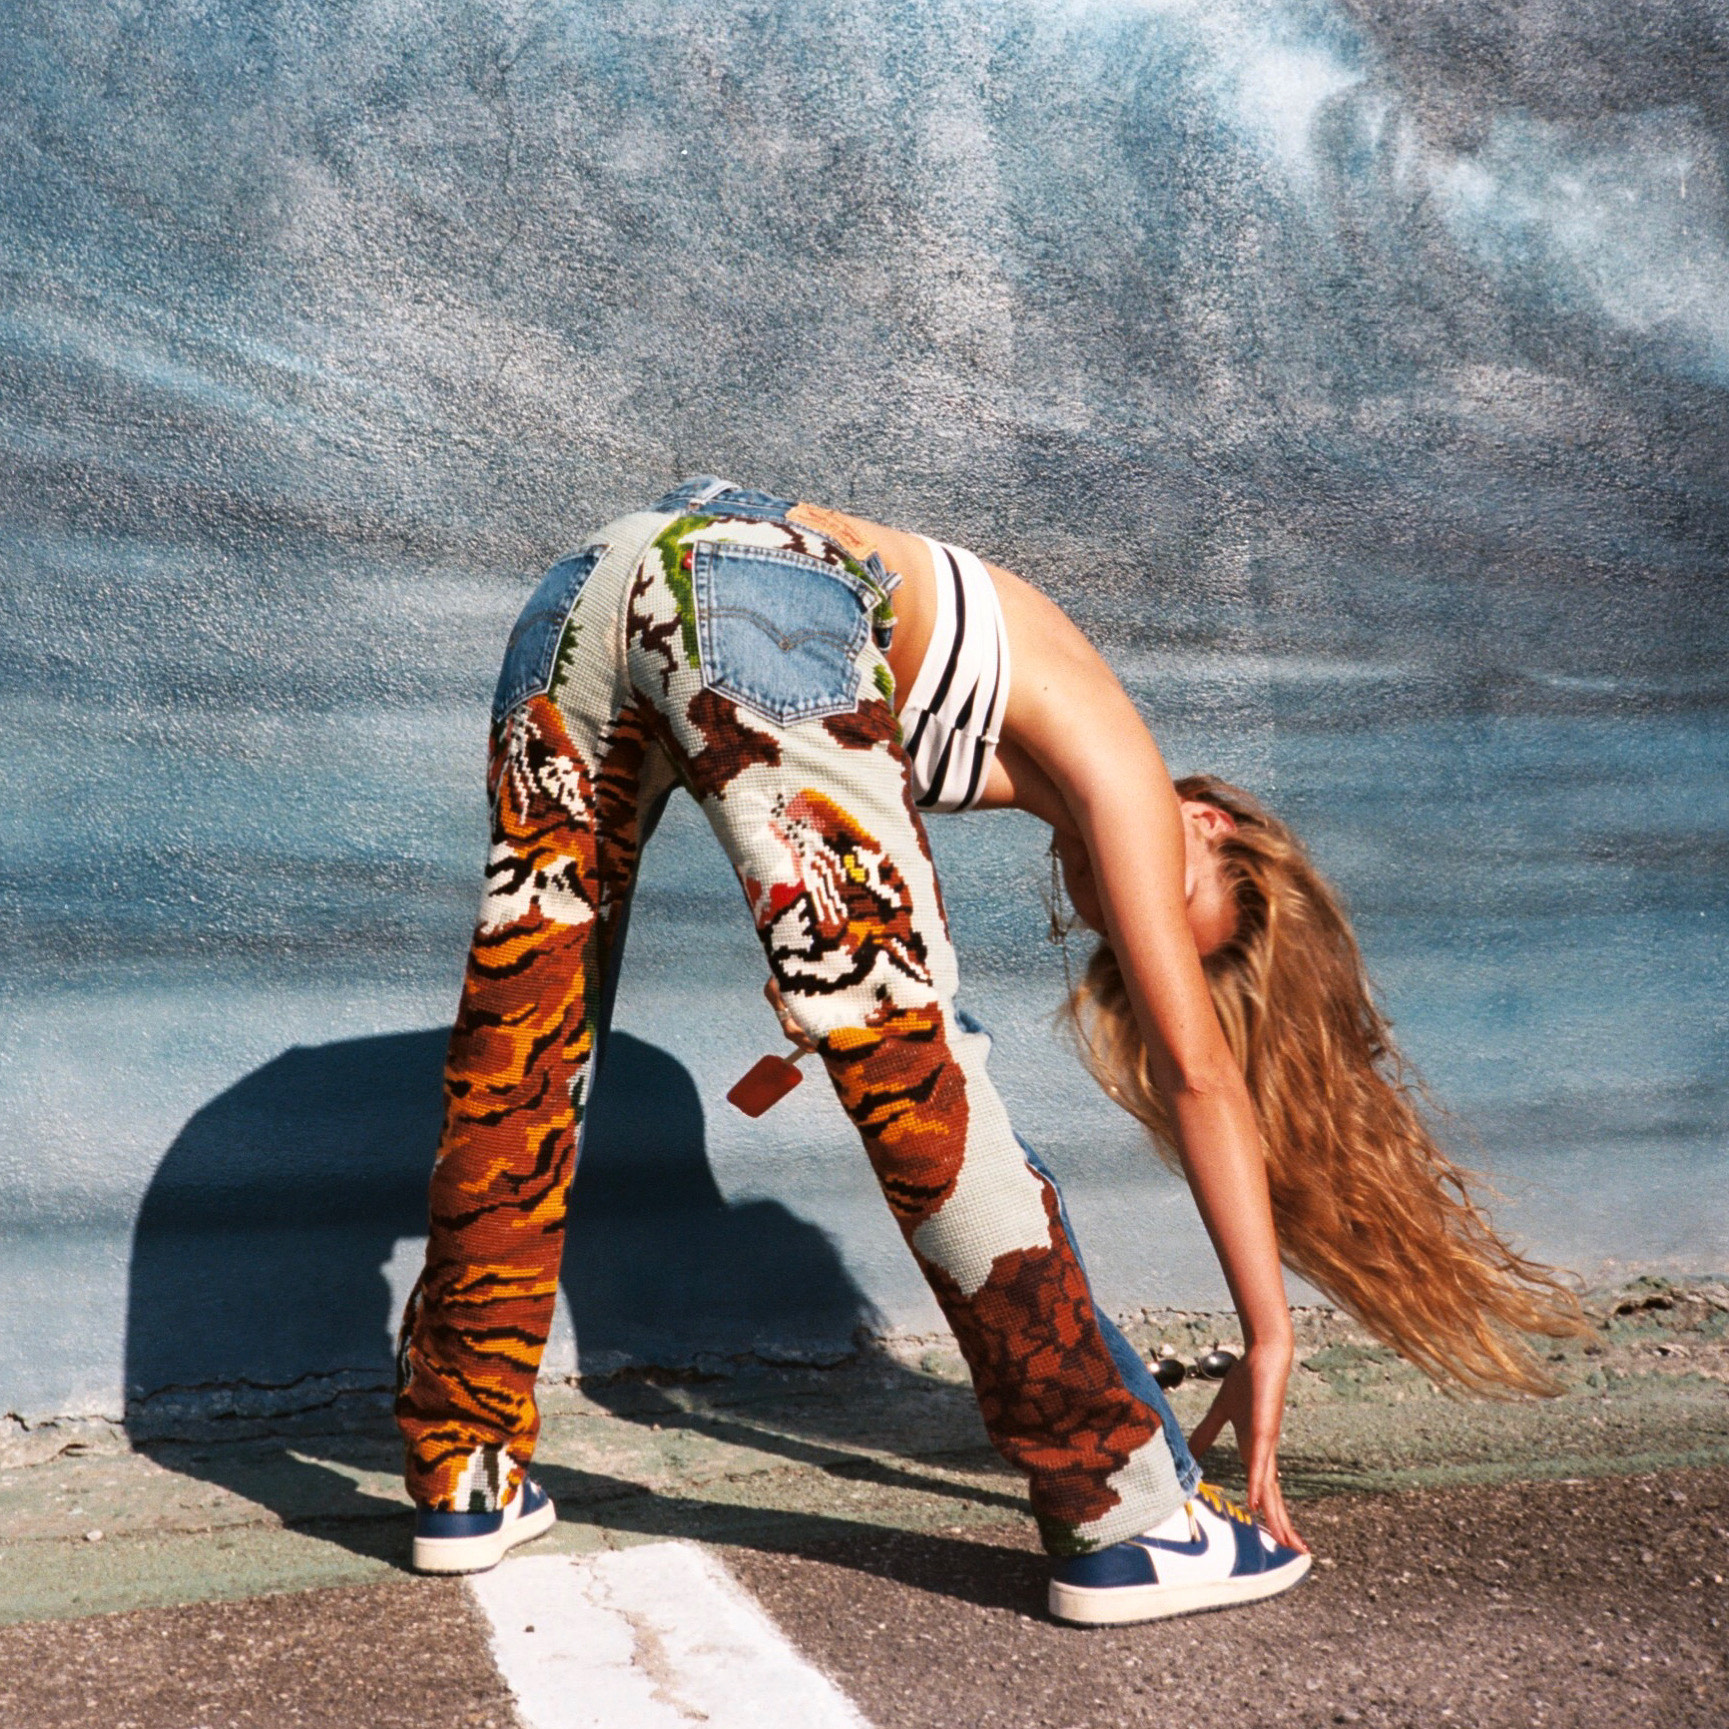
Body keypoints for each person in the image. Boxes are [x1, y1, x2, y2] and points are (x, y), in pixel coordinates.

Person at [394, 477, 1585, 1626]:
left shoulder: (1019, 758)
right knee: (913, 1067)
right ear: (1206, 822)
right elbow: (1198, 1070)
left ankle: (464, 1462)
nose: (1130, 920)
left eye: (1135, 938)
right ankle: (1122, 1510)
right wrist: (1267, 1332)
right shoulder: (1121, 756)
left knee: (525, 1035)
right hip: (751, 583)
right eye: (1170, 905)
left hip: (591, 590)